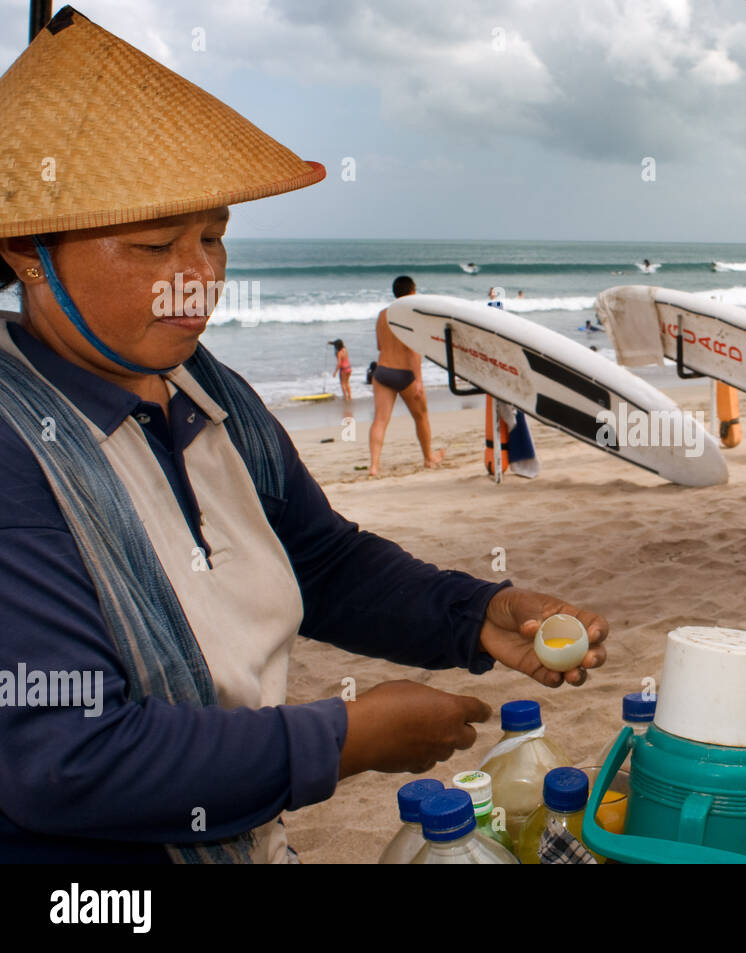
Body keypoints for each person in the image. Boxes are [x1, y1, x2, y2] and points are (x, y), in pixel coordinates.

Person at [0, 9, 607, 863]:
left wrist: (474, 615)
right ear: (28, 254)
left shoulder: (205, 385)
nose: (199, 278)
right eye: (152, 243)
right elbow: (67, 757)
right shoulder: (14, 447)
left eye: (213, 237)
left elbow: (317, 560)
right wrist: (343, 738)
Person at [370, 276, 442, 475]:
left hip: (382, 371)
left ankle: (374, 466)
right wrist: (418, 380)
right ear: (412, 292)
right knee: (421, 417)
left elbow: (379, 345)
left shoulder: (382, 314)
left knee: (380, 421)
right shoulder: (412, 316)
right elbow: (413, 350)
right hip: (406, 374)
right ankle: (428, 458)